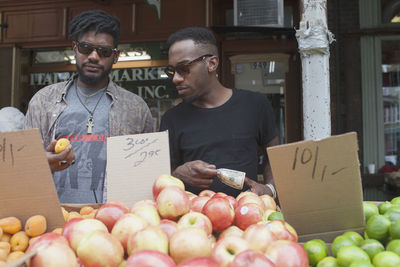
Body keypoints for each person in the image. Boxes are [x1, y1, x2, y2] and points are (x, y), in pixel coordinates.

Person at [24, 10, 154, 203]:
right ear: (75, 48)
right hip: (55, 219)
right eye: (86, 48)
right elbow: (21, 165)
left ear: (116, 56)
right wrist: (40, 162)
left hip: (114, 220)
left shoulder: (136, 108)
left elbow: (148, 172)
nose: (93, 57)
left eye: (104, 51)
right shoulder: (43, 101)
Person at [160, 27, 279, 199]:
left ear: (212, 63)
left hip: (250, 214)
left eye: (183, 68)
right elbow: (162, 174)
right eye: (171, 71)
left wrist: (270, 190)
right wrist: (178, 174)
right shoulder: (172, 119)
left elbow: (274, 157)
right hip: (194, 220)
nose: (175, 78)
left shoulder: (255, 105)